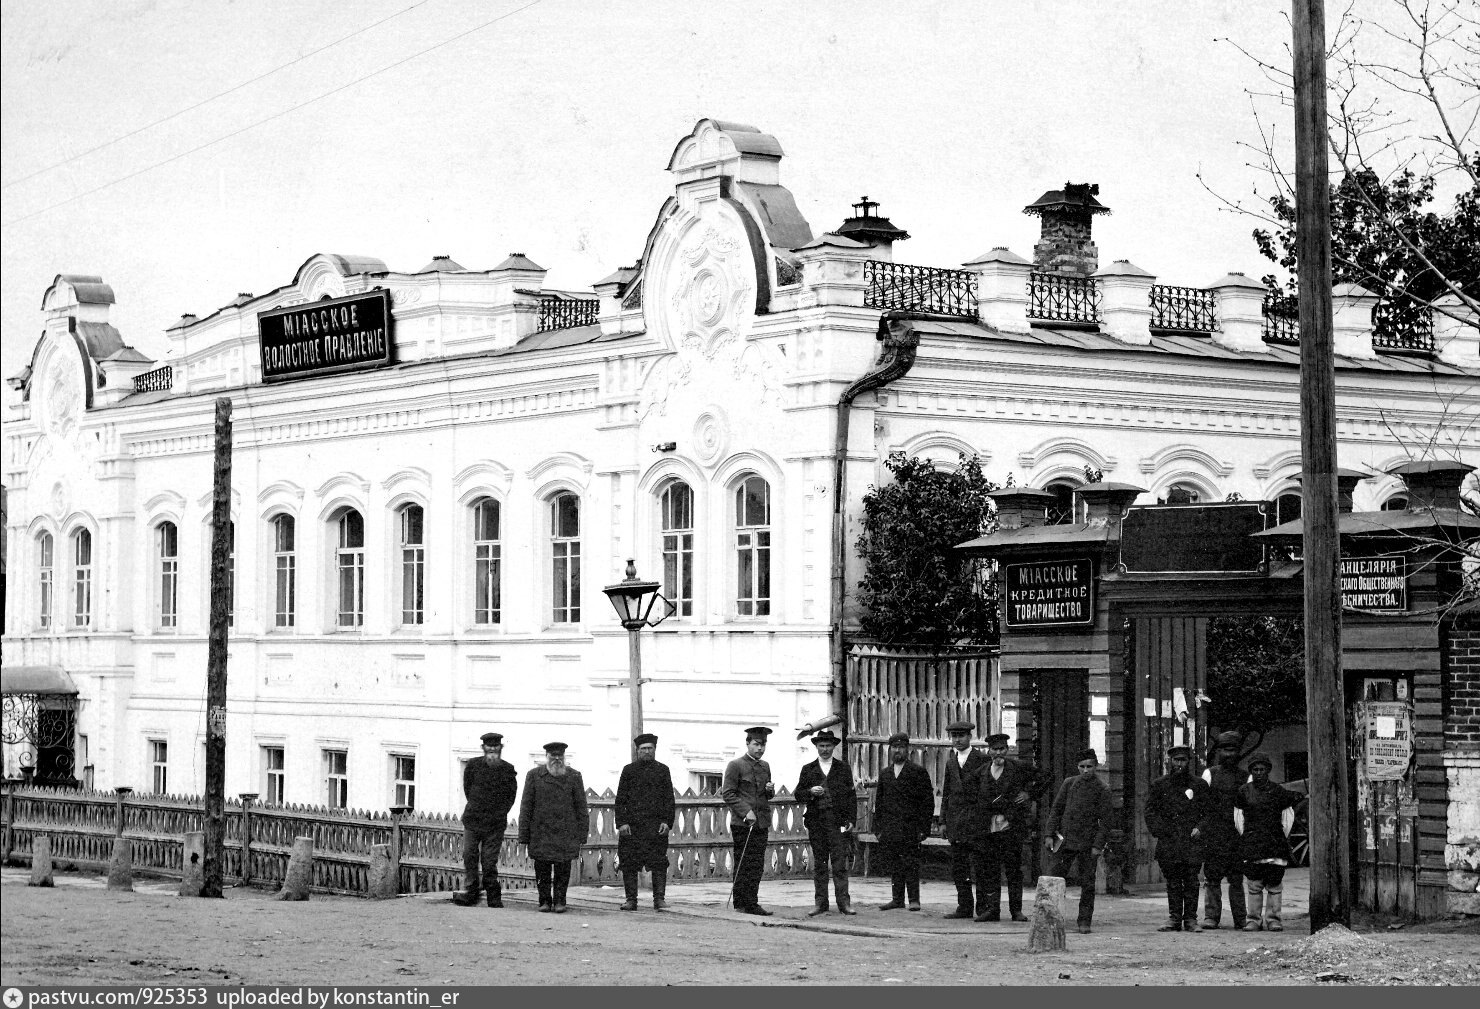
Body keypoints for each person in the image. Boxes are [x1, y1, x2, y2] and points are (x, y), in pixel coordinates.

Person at [1045, 748, 1112, 933]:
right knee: (1055, 879)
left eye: (1089, 766)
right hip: (1065, 841)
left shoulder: (1102, 789)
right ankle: (1051, 918)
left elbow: (1106, 822)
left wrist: (1097, 846)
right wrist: (1049, 834)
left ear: (1096, 767)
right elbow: (1056, 810)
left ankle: (1084, 921)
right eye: (1082, 766)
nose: (1085, 770)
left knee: (1088, 883)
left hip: (1088, 844)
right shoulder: (1069, 784)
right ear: (1077, 767)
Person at [518, 742, 589, 913]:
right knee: (542, 868)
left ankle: (560, 901)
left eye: (560, 757)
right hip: (541, 831)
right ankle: (544, 901)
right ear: (547, 757)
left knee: (563, 868)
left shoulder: (574, 776)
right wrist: (523, 835)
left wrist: (582, 833)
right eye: (553, 756)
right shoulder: (534, 776)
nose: (556, 760)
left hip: (566, 831)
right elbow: (526, 806)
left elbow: (581, 806)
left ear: (564, 758)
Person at [1144, 744, 1209, 932]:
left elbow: (1209, 812)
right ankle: (1174, 919)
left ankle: (1191, 920)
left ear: (1189, 762)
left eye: (1183, 760)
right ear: (1170, 761)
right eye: (1176, 760)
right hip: (1169, 841)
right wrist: (1161, 830)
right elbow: (1150, 812)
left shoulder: (1199, 785)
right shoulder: (1160, 785)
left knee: (1191, 881)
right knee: (1172, 881)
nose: (1179, 764)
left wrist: (1199, 827)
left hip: (1191, 841)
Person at [1234, 752, 1301, 932]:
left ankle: (1273, 919)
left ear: (1268, 770)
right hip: (1253, 843)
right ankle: (1254, 920)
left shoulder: (1278, 791)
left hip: (1274, 843)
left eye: (1262, 769)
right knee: (1254, 884)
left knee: (1274, 884)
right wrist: (1249, 836)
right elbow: (1239, 818)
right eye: (1255, 769)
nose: (1259, 773)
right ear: (1251, 771)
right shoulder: (1243, 792)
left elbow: (1287, 818)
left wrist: (1277, 835)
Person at [795, 728, 858, 916]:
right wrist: (810, 793)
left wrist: (851, 820)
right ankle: (820, 903)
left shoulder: (843, 768)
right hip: (817, 824)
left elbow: (851, 796)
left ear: (834, 746)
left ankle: (844, 904)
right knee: (820, 865)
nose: (825, 749)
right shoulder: (808, 769)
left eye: (828, 746)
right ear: (816, 747)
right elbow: (798, 794)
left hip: (837, 824)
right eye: (821, 746)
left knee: (839, 865)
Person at [452, 731, 519, 908]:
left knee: (489, 861)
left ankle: (493, 896)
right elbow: (468, 790)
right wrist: (477, 808)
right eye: (489, 747)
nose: (492, 750)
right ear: (483, 748)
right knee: (469, 856)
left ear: (500, 748)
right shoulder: (473, 766)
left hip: (495, 824)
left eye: (495, 747)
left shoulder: (508, 770)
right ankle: (471, 892)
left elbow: (510, 797)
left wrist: (498, 814)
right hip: (473, 821)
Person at [972, 732, 1033, 922]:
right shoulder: (981, 772)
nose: (998, 753)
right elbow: (969, 793)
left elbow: (1045, 778)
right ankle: (993, 910)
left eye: (1002, 749)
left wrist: (1028, 793)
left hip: (1011, 827)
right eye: (995, 750)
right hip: (989, 828)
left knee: (1013, 870)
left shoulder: (1018, 768)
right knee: (991, 869)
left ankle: (1017, 911)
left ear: (1007, 750)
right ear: (988, 751)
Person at [614, 732, 676, 912]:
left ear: (655, 750)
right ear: (637, 751)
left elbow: (669, 799)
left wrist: (667, 822)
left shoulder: (663, 770)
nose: (647, 752)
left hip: (655, 827)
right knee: (629, 863)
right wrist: (622, 823)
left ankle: (659, 900)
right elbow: (620, 800)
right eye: (643, 749)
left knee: (659, 862)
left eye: (650, 748)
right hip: (632, 828)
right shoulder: (628, 771)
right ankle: (631, 900)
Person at [874, 731, 935, 911]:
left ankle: (914, 899)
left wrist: (924, 827)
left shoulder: (918, 772)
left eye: (901, 747)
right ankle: (897, 899)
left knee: (911, 863)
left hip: (911, 827)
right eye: (894, 747)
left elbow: (927, 802)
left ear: (907, 749)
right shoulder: (885, 774)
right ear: (890, 750)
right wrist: (878, 828)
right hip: (891, 827)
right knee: (895, 863)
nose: (897, 751)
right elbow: (880, 802)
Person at [721, 726, 775, 916]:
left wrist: (769, 790)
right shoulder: (735, 765)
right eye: (756, 744)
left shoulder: (765, 766)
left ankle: (752, 902)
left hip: (761, 823)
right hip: (742, 823)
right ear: (748, 744)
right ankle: (740, 903)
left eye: (763, 745)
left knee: (757, 864)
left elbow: (766, 796)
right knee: (743, 862)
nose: (760, 749)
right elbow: (727, 793)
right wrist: (746, 812)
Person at [1199, 730, 1249, 930]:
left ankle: (1241, 918)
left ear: (1238, 752)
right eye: (1225, 750)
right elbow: (1202, 804)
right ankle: (1211, 917)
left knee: (1236, 878)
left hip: (1236, 835)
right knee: (1212, 878)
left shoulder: (1246, 777)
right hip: (1214, 833)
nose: (1229, 754)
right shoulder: (1210, 774)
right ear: (1218, 752)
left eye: (1233, 750)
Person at [940, 719, 989, 919]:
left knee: (980, 865)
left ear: (970, 737)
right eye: (954, 736)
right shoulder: (951, 762)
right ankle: (964, 906)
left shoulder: (982, 759)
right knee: (959, 866)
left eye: (961, 736)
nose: (958, 740)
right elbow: (946, 793)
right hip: (956, 821)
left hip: (976, 821)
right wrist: (943, 821)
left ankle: (983, 908)